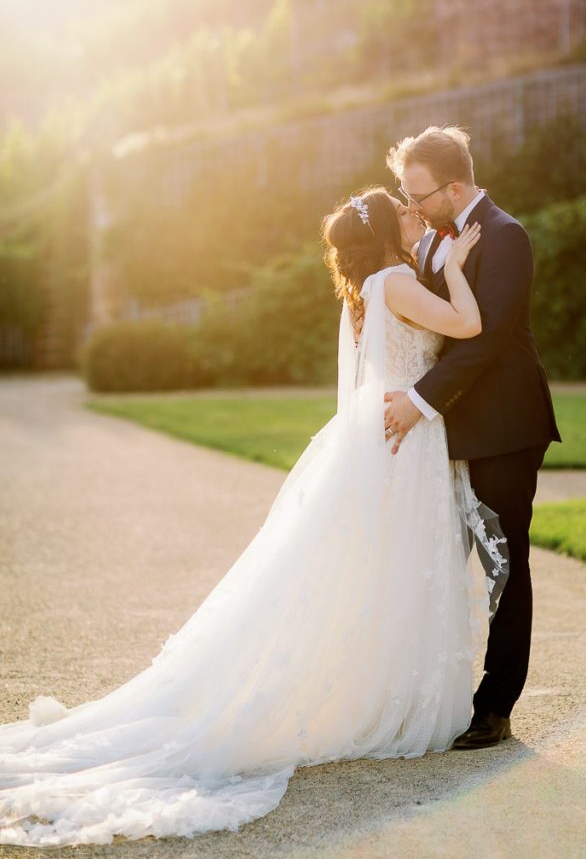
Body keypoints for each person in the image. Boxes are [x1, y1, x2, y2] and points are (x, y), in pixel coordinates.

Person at [0, 187, 505, 847]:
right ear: (387, 230)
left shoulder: (368, 288)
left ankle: (378, 690)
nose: (415, 214)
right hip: (401, 439)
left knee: (376, 569)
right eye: (404, 211)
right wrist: (459, 268)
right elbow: (467, 326)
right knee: (396, 569)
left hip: (380, 435)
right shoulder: (396, 281)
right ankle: (391, 701)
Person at [384, 125, 561, 750]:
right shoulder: (433, 241)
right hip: (453, 430)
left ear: (454, 187)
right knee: (433, 562)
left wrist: (418, 400)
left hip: (505, 428)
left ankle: (496, 705)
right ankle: (425, 693)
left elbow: (483, 341)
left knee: (504, 566)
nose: (411, 207)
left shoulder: (507, 236)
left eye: (418, 194)